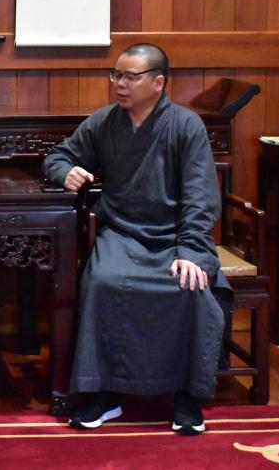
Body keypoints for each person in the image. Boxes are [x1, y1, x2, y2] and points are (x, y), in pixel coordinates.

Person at [42, 43, 232, 436]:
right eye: (116, 75)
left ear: (158, 83)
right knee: (103, 282)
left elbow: (200, 197)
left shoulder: (186, 126)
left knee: (190, 285)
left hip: (176, 236)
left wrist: (191, 250)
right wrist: (66, 173)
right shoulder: (105, 121)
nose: (120, 84)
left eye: (130, 76)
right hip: (122, 232)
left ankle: (186, 395)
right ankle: (105, 392)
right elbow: (58, 157)